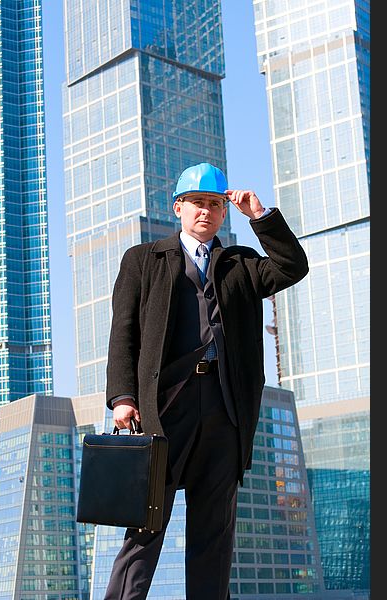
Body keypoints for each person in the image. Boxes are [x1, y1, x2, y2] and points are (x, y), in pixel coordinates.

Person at [104, 163, 308, 600]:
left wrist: (261, 217)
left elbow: (293, 267)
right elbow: (123, 332)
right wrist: (122, 397)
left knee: (215, 533)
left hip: (225, 408)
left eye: (215, 204)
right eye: (198, 203)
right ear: (179, 207)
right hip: (164, 407)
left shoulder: (241, 264)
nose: (207, 212)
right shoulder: (144, 260)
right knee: (145, 524)